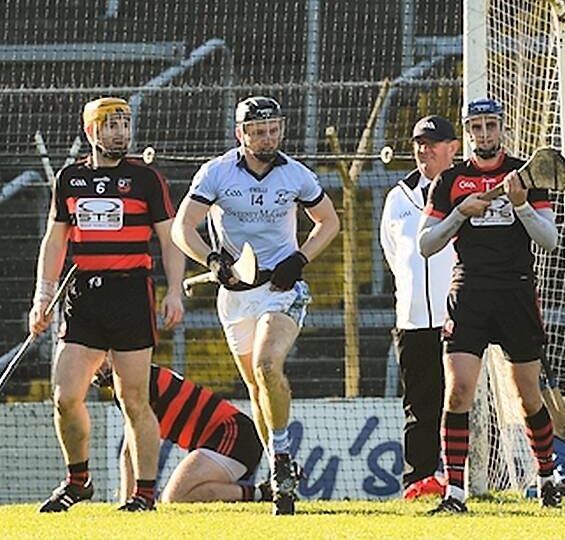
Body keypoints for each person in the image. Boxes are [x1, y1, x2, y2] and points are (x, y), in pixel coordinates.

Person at [171, 96, 339, 515]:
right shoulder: (217, 173)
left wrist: (300, 258)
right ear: (240, 134)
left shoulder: (296, 175)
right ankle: (277, 465)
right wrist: (211, 259)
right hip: (235, 297)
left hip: (282, 291)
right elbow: (182, 228)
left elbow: (329, 222)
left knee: (267, 367)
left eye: (274, 130)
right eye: (259, 132)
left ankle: (282, 463)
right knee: (254, 387)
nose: (268, 138)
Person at [31, 97, 185, 512]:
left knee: (133, 398)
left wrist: (175, 290)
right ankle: (78, 480)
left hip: (131, 294)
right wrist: (42, 296)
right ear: (91, 132)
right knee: (64, 397)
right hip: (84, 296)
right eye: (111, 125)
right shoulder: (69, 180)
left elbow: (170, 239)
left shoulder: (146, 179)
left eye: (125, 124)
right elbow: (56, 239)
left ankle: (145, 495)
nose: (121, 132)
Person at [417, 97, 562, 513]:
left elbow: (549, 240)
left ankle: (548, 476)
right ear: (467, 132)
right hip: (469, 291)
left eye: (490, 125)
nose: (484, 134)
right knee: (459, 391)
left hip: (516, 290)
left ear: (502, 128)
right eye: (476, 127)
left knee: (527, 396)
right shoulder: (449, 181)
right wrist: (460, 213)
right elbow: (427, 244)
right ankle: (456, 493)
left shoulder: (526, 173)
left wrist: (519, 204)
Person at [379, 115, 459, 499]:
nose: (424, 151)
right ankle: (419, 480)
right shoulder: (398, 196)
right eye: (418, 143)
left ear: (453, 148)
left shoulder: (464, 189)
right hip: (411, 318)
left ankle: (463, 478)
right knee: (419, 404)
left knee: (460, 400)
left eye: (433, 143)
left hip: (459, 317)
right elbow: (394, 254)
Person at [93, 360, 267, 503]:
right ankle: (261, 493)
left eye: (101, 358)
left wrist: (129, 501)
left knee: (175, 496)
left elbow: (132, 453)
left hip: (232, 433)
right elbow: (129, 451)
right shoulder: (134, 381)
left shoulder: (137, 383)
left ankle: (263, 494)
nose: (98, 367)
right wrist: (127, 504)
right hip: (226, 437)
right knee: (175, 497)